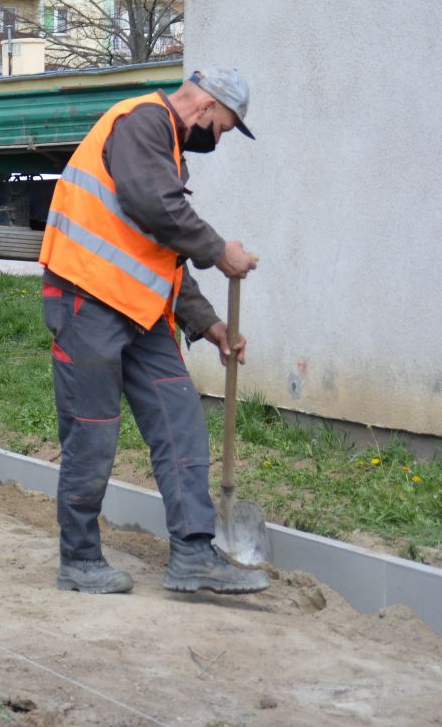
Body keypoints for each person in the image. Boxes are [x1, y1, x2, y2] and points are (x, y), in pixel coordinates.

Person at [39, 68, 270, 595]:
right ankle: (78, 559)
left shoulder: (168, 149)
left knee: (179, 420)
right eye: (226, 127)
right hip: (85, 297)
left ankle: (192, 553)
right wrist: (219, 251)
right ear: (208, 108)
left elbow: (161, 255)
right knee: (92, 430)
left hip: (141, 312)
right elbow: (153, 204)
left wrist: (209, 325)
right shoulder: (143, 121)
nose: (220, 138)